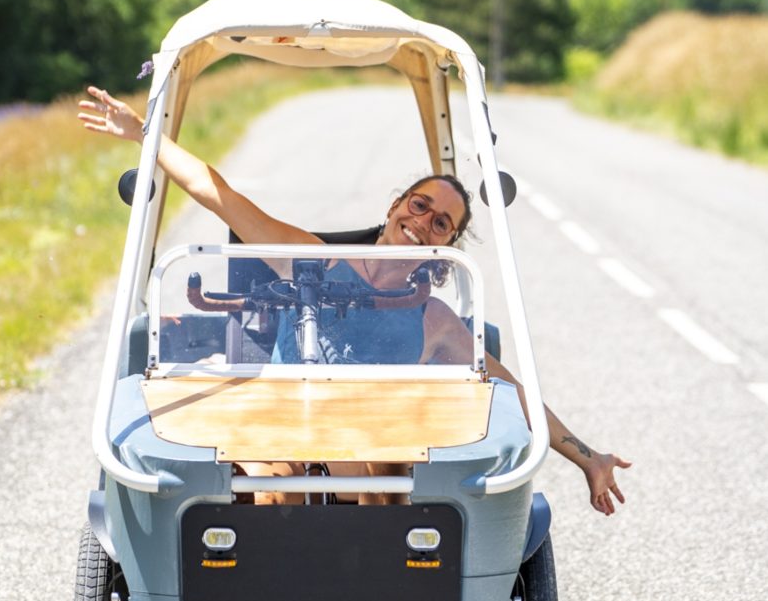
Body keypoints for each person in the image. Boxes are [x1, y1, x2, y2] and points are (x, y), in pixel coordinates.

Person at [79, 85, 631, 515]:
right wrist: (143, 133)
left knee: (387, 460)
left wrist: (588, 459)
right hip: (282, 427)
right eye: (419, 206)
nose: (424, 222)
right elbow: (214, 190)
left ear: (446, 246)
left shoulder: (434, 320)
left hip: (370, 455)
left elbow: (516, 392)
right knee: (276, 483)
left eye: (442, 223)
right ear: (395, 207)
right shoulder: (313, 260)